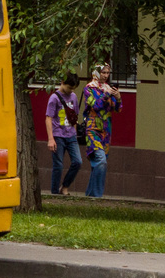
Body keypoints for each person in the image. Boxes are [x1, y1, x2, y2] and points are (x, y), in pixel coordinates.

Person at [81, 63, 123, 198]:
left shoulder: (108, 89)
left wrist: (118, 98)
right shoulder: (89, 88)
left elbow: (118, 109)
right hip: (92, 129)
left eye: (107, 73)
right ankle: (97, 196)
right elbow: (96, 105)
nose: (105, 75)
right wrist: (106, 94)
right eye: (103, 72)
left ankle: (90, 195)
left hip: (106, 131)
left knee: (97, 164)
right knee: (101, 161)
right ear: (96, 72)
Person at [44, 74, 82, 195]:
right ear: (62, 82)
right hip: (58, 135)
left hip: (70, 135)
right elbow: (48, 118)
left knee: (77, 162)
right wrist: (51, 139)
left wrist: (74, 134)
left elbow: (74, 117)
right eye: (69, 87)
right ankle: (55, 192)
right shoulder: (54, 98)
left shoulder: (74, 97)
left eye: (73, 88)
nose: (71, 90)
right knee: (58, 165)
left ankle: (65, 186)